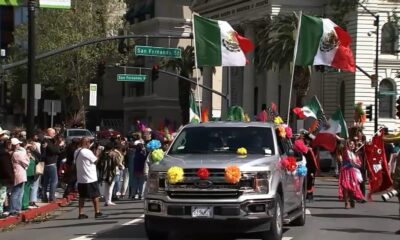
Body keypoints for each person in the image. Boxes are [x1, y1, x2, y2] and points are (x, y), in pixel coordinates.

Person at [75, 137, 106, 219]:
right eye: (89, 142)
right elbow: (95, 161)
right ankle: (97, 212)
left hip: (81, 178)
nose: (90, 144)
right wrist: (98, 153)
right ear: (86, 143)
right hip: (90, 177)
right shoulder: (87, 151)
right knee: (95, 196)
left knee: (82, 196)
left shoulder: (77, 151)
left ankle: (81, 213)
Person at [337, 140, 364, 209]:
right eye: (350, 144)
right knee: (346, 187)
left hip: (352, 171)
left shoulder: (355, 154)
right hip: (345, 171)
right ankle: (346, 202)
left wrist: (357, 164)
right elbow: (350, 161)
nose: (352, 145)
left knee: (352, 187)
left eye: (353, 144)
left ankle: (352, 199)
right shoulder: (346, 152)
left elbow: (359, 164)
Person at [41, 128, 63, 203]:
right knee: (54, 181)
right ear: (49, 133)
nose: (55, 135)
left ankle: (44, 197)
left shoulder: (49, 141)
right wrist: (59, 145)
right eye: (53, 133)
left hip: (47, 164)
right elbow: (54, 150)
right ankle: (51, 197)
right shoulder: (46, 141)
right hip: (50, 163)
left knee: (46, 182)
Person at [9, 138, 29, 215]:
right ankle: (14, 209)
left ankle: (17, 208)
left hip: (19, 173)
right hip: (19, 173)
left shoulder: (15, 153)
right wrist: (26, 155)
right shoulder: (17, 154)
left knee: (19, 192)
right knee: (16, 192)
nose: (19, 145)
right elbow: (26, 162)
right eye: (17, 144)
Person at [0, 138, 13, 218]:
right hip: (2, 178)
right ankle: (0, 211)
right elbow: (6, 168)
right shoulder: (4, 154)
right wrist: (10, 177)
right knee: (1, 194)